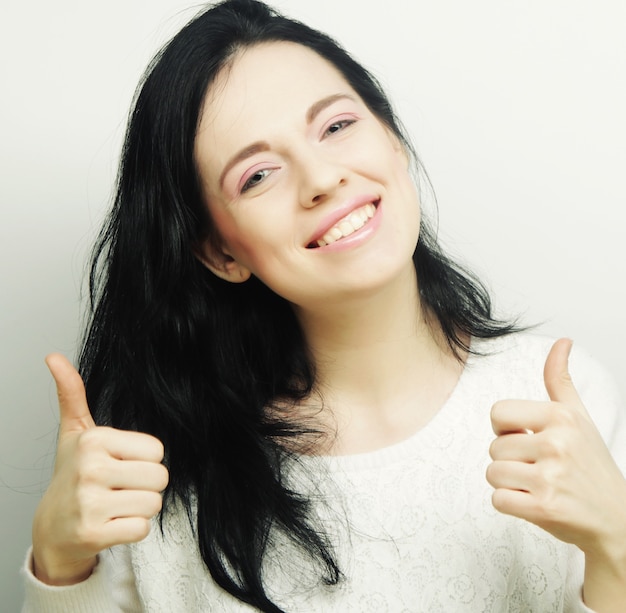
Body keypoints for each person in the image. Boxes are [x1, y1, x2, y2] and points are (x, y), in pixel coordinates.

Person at [21, 0, 626, 611]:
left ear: (393, 141)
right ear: (220, 253)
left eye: (336, 126)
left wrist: (618, 545)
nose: (321, 178)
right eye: (257, 175)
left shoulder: (563, 404)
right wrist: (61, 562)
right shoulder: (149, 474)